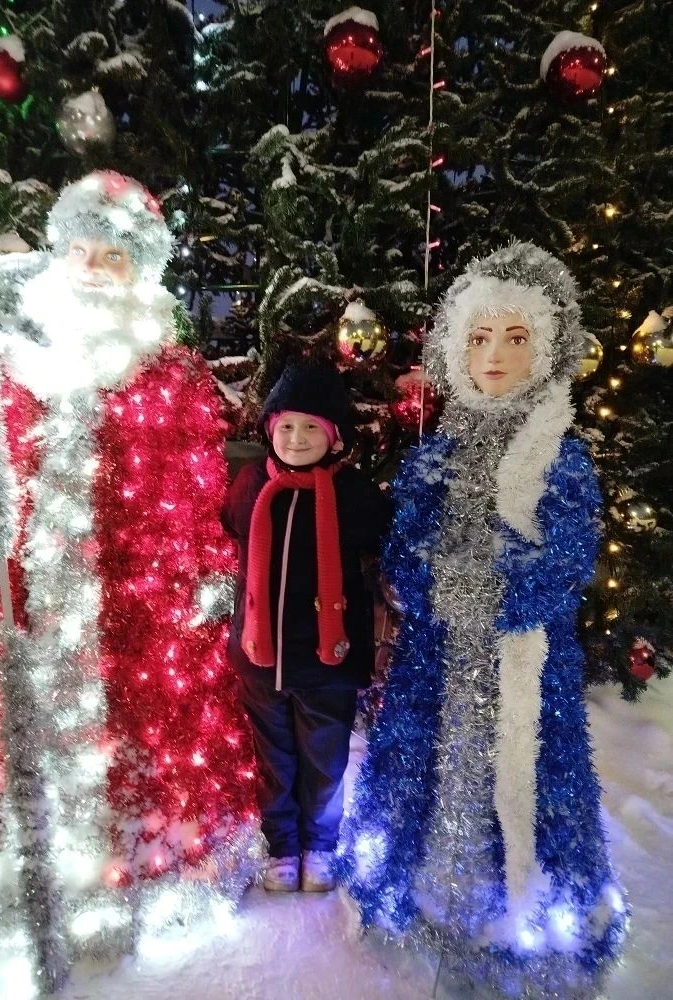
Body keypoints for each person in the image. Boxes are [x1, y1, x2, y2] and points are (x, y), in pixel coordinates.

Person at [0, 171, 262, 984]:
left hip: (146, 608)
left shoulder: (172, 373)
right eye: (82, 249)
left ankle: (152, 870)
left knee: (151, 744)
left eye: (115, 256)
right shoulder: (16, 364)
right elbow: (0, 476)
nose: (95, 268)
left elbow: (198, 488)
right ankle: (35, 878)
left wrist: (208, 572)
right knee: (43, 739)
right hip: (49, 603)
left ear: (141, 267)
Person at [337, 244, 627, 998]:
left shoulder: (561, 460)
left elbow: (565, 563)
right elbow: (402, 552)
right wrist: (433, 585)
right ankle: (425, 894)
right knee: (430, 772)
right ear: (457, 350)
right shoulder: (434, 457)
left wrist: (491, 594)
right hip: (436, 661)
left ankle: (522, 914)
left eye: (515, 337)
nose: (494, 356)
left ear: (545, 349)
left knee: (525, 781)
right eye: (479, 338)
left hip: (524, 664)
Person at [222, 360, 390, 893]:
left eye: (312, 427)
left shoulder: (354, 494)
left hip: (326, 663)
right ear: (270, 429)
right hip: (260, 656)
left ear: (334, 436)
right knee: (273, 760)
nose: (297, 438)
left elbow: (383, 545)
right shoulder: (251, 483)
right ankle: (281, 846)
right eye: (287, 425)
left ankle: (320, 845)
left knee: (324, 759)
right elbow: (232, 528)